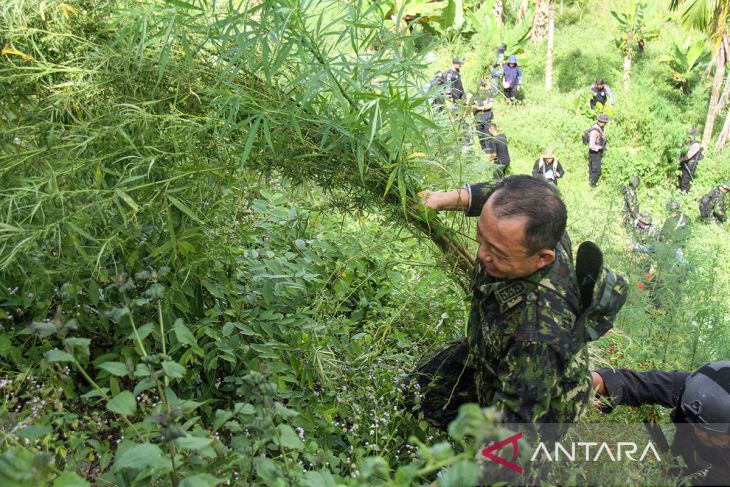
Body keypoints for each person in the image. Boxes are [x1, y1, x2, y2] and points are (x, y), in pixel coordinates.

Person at [410, 176, 628, 429]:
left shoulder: (538, 334)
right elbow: (503, 195)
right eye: (481, 237)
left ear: (542, 259)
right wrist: (441, 199)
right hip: (486, 351)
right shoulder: (538, 220)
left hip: (536, 402)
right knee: (416, 399)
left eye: (497, 252)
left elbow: (515, 429)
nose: (482, 255)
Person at [591, 361, 730, 485]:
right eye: (694, 423)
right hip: (686, 466)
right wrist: (586, 381)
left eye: (711, 431)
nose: (699, 432)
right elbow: (639, 384)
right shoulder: (701, 387)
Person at [471, 79, 494, 153]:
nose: (482, 87)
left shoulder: (488, 94)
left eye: (483, 86)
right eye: (481, 86)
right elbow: (471, 106)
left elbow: (490, 105)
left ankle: (490, 152)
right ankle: (484, 152)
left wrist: (480, 108)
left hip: (487, 118)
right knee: (481, 137)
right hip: (478, 120)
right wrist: (473, 107)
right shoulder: (475, 95)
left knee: (488, 136)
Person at [587, 114, 609, 188]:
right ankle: (592, 185)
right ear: (603, 122)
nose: (606, 124)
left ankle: (590, 182)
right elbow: (591, 146)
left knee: (593, 168)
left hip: (597, 152)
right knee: (597, 170)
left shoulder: (600, 128)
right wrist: (600, 148)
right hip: (594, 153)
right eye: (605, 122)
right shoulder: (594, 131)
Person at [679, 128, 704, 193]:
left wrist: (679, 160)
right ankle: (680, 193)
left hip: (690, 166)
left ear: (694, 136)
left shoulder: (696, 145)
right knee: (680, 179)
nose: (688, 137)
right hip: (683, 163)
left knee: (684, 182)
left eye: (690, 135)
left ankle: (684, 196)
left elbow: (687, 156)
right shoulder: (687, 142)